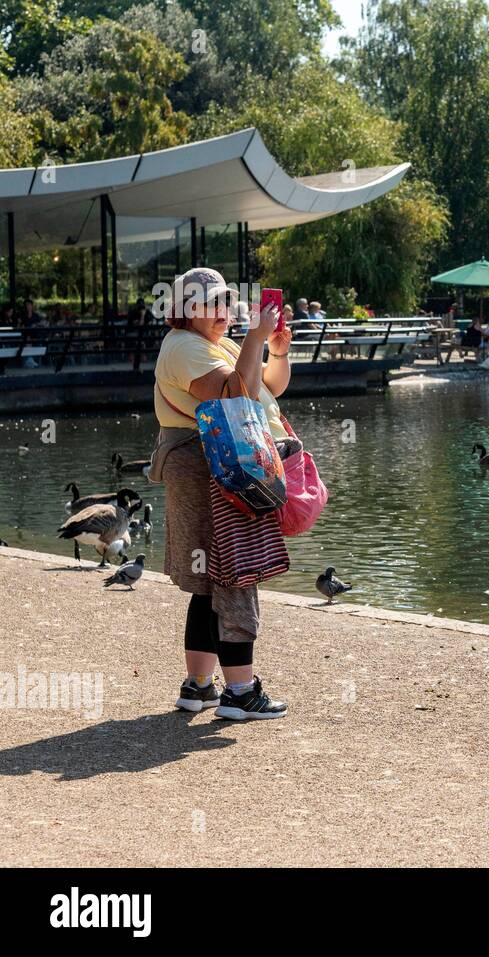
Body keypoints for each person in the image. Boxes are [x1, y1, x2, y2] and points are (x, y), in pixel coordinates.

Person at [150, 266, 292, 719]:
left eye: (225, 301)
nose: (221, 310)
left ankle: (199, 686)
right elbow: (234, 395)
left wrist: (276, 351)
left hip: (216, 465)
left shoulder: (212, 343)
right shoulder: (186, 348)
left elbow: (265, 388)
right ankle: (241, 692)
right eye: (209, 303)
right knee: (236, 570)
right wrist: (253, 337)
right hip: (216, 467)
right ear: (183, 311)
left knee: (212, 578)